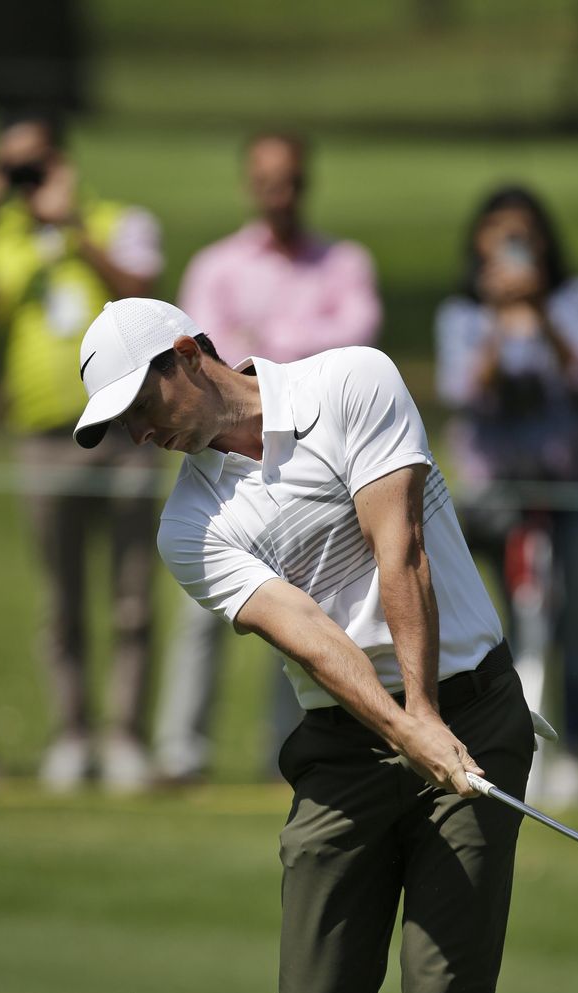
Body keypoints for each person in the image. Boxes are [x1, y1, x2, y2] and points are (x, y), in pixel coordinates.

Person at [72, 296, 535, 993]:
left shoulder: (349, 381)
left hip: (470, 710)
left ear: (186, 354)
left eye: (139, 405)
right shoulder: (189, 525)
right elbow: (313, 634)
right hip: (341, 750)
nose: (137, 434)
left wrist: (429, 718)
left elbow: (398, 548)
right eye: (118, 425)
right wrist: (402, 728)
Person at [153, 132, 382, 783]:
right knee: (204, 607)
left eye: (290, 181)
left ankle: (291, 749)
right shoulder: (218, 265)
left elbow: (358, 336)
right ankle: (181, 749)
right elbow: (200, 358)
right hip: (228, 462)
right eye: (267, 181)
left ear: (306, 183)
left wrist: (267, 338)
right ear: (249, 185)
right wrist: (299, 343)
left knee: (310, 608)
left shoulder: (344, 262)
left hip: (318, 456)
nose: (279, 195)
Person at [0, 111, 164, 791]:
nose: (28, 177)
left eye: (37, 162)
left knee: (132, 596)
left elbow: (142, 296)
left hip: (127, 430)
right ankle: (72, 734)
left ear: (63, 161)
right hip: (42, 434)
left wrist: (73, 228)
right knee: (60, 600)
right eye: (13, 165)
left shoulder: (114, 220)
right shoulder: (2, 240)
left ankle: (125, 736)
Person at [435, 186, 578, 808]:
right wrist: (497, 320)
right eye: (499, 234)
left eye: (524, 234)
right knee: (506, 626)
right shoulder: (463, 314)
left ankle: (575, 753)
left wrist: (540, 314)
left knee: (574, 620)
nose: (513, 247)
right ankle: (513, 748)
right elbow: (465, 390)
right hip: (499, 495)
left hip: (577, 485)